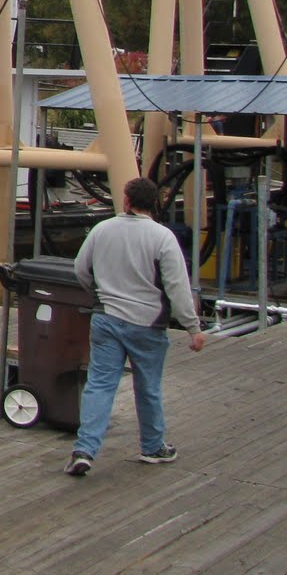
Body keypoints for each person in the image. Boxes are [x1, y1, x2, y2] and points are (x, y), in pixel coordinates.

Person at [65, 176, 204, 477]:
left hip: (106, 319)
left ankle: (84, 450)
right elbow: (177, 287)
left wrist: (98, 294)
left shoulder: (102, 230)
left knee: (100, 385)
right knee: (148, 387)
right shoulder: (163, 237)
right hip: (148, 323)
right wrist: (193, 328)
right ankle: (153, 447)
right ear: (153, 203)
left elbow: (80, 269)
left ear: (126, 201)